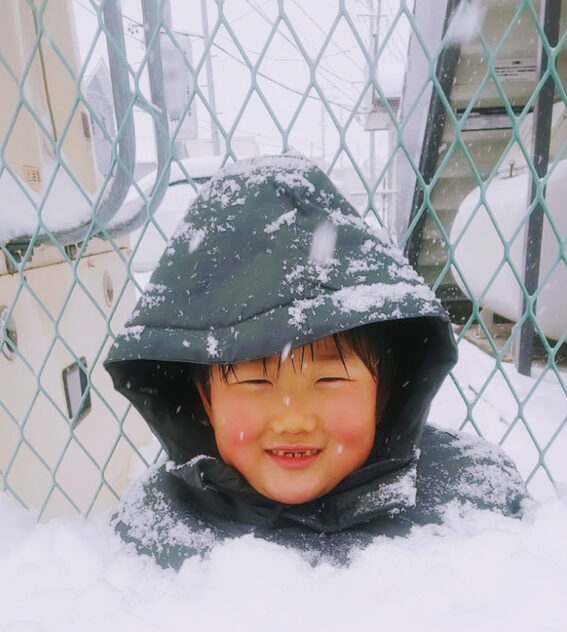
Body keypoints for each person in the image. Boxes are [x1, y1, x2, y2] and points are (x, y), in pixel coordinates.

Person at [105, 154, 526, 568]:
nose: (294, 420)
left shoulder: (467, 502)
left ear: (385, 389)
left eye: (329, 378)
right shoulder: (157, 530)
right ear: (205, 399)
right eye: (256, 382)